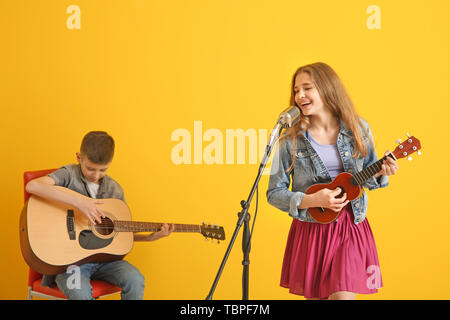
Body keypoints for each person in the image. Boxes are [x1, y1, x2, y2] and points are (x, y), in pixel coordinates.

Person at [266, 62, 398, 300]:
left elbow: (365, 179)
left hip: (349, 226)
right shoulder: (289, 141)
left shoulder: (358, 129)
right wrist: (311, 199)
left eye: (307, 88)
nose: (299, 95)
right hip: (311, 231)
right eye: (296, 90)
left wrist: (381, 172)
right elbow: (273, 192)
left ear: (327, 89)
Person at [25, 131, 174, 300]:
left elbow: (119, 235)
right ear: (79, 157)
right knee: (79, 292)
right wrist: (79, 202)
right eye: (90, 168)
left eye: (103, 170)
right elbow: (33, 186)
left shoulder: (114, 190)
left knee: (135, 279)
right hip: (69, 264)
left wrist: (149, 238)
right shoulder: (69, 174)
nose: (95, 175)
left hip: (106, 261)